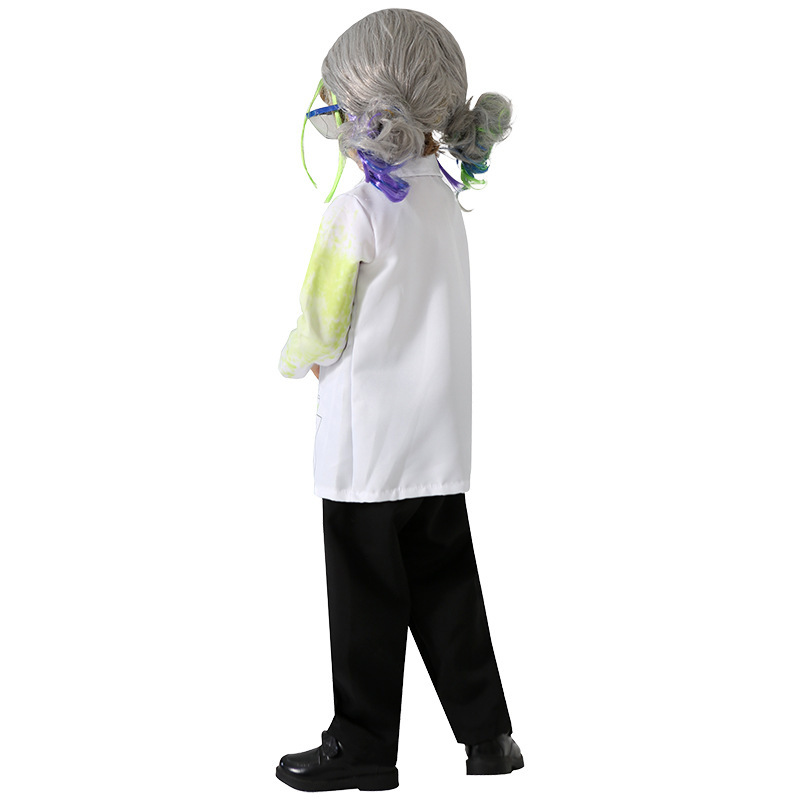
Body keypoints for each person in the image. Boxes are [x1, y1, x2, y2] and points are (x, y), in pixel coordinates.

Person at [276, 9, 522, 792]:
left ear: (360, 112)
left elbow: (321, 323)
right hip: (437, 440)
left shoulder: (355, 212)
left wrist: (296, 361)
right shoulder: (443, 200)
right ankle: (488, 737)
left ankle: (363, 746)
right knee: (446, 586)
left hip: (368, 445)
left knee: (366, 597)